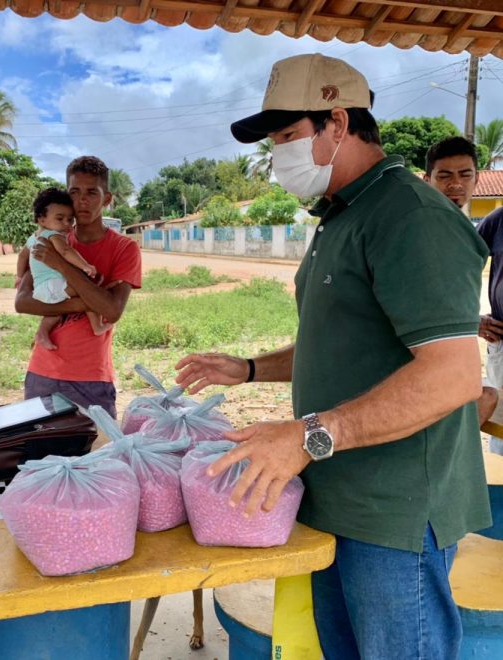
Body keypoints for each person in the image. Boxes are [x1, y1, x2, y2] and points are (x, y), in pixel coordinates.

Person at [175, 54, 491, 659]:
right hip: (337, 495)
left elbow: (453, 376)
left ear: (338, 123)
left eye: (287, 136)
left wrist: (308, 436)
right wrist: (249, 370)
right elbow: (342, 339)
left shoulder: (411, 216)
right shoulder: (344, 215)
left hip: (395, 513)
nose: (277, 156)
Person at [15, 156, 142, 417]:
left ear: (107, 199)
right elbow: (23, 302)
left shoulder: (124, 248)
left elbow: (112, 310)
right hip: (42, 372)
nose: (82, 200)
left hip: (91, 378)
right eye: (74, 192)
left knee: (97, 444)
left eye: (92, 193)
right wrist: (88, 301)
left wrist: (62, 266)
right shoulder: (49, 238)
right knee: (41, 444)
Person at [423, 136, 499, 427]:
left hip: (454, 349)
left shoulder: (463, 231)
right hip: (423, 350)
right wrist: (469, 323)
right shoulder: (418, 226)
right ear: (428, 179)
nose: (456, 184)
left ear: (477, 179)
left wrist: (470, 321)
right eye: (445, 176)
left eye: (465, 175)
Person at [16, 187, 110, 350]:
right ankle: (98, 326)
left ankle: (42, 332)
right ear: (42, 220)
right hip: (54, 285)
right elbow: (66, 251)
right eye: (60, 219)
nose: (66, 223)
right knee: (87, 291)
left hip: (41, 289)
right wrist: (85, 266)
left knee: (57, 309)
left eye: (70, 219)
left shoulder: (32, 238)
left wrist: (19, 277)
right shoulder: (53, 235)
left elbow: (22, 257)